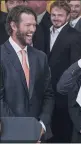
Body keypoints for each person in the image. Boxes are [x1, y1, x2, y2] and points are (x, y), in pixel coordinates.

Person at [0, 6, 55, 142]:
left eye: (34, 25)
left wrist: (41, 124)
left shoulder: (40, 57)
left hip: (39, 134)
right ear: (13, 25)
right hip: (8, 133)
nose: (32, 30)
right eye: (28, 25)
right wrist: (23, 129)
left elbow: (48, 94)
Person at [44, 1, 81, 142]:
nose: (56, 18)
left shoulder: (75, 36)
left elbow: (76, 70)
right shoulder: (43, 32)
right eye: (53, 15)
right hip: (44, 93)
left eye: (60, 15)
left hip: (63, 96)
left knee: (61, 134)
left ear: (68, 16)